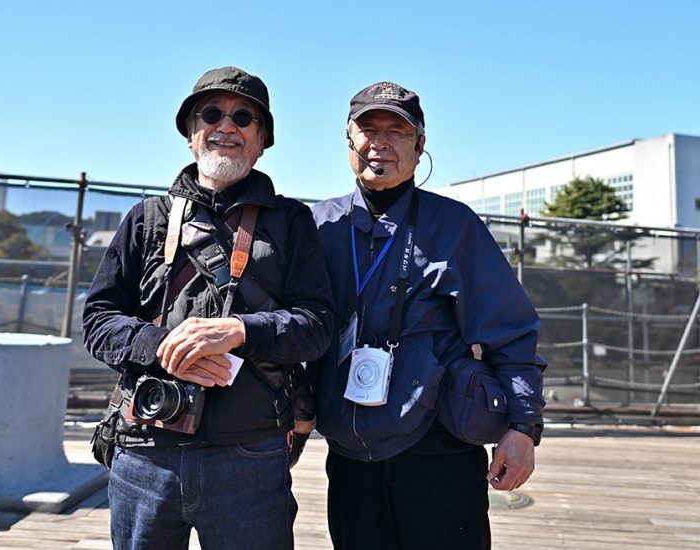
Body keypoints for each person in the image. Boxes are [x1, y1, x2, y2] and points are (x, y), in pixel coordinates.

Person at [82, 66, 335, 550]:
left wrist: (239, 330)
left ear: (262, 141)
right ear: (191, 135)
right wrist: (165, 346)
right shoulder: (146, 219)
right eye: (211, 114)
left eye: (244, 117)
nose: (226, 126)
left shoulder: (292, 221)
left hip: (251, 456)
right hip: (145, 449)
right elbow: (97, 320)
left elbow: (318, 325)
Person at [308, 81, 545, 550]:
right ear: (348, 141)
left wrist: (523, 428)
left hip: (438, 444)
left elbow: (511, 333)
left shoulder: (454, 226)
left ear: (420, 146)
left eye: (397, 131)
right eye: (367, 129)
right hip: (349, 452)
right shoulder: (318, 226)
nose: (380, 142)